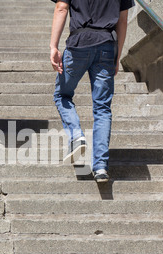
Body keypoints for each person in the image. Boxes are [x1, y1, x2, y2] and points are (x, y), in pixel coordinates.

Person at [50, 0, 134, 182]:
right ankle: (101, 167)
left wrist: (53, 47)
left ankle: (76, 135)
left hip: (78, 44)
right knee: (102, 108)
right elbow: (123, 18)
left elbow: (61, 7)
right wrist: (117, 55)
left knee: (62, 94)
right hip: (106, 44)